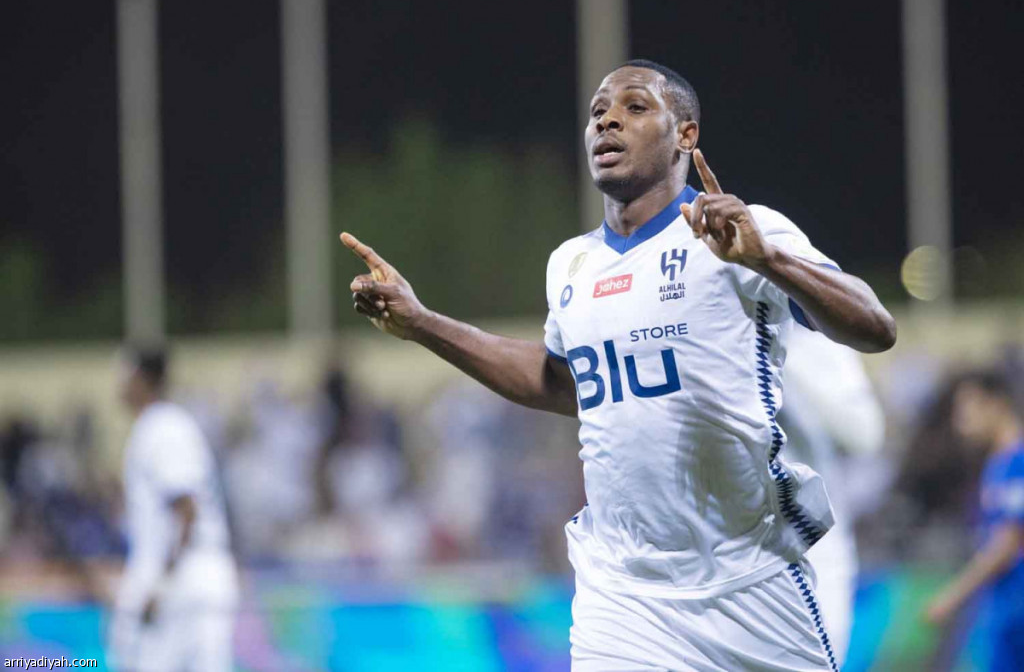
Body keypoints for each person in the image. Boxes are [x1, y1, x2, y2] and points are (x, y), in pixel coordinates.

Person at [342, 59, 896, 671]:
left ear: (685, 135)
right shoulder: (571, 264)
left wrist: (769, 261)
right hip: (623, 594)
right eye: (598, 112)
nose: (607, 120)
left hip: (749, 582)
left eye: (635, 107)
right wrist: (421, 323)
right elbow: (559, 381)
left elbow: (875, 328)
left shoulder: (743, 230)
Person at [110, 348, 238, 672]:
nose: (118, 385)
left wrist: (160, 585)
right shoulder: (159, 425)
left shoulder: (163, 427)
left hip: (183, 579)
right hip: (186, 575)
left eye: (124, 375)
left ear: (142, 378)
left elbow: (186, 510)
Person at [779, 324, 887, 665]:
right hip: (714, 552)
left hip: (811, 550)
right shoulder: (687, 327)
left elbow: (865, 434)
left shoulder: (809, 337)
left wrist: (775, 355)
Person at [925, 372, 1024, 671]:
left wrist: (952, 597)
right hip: (1005, 605)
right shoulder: (998, 463)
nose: (960, 422)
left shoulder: (1018, 460)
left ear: (995, 404)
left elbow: (1009, 542)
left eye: (966, 409)